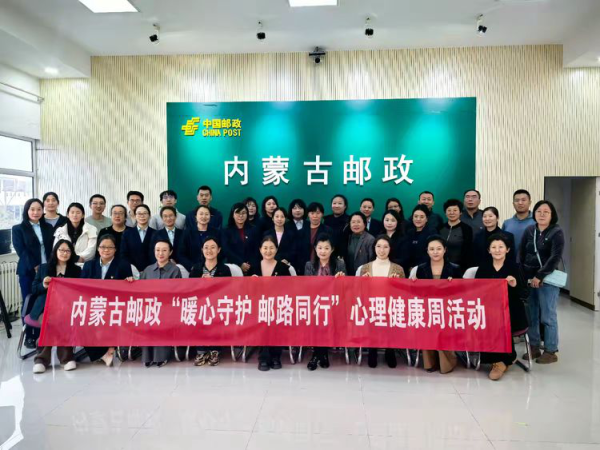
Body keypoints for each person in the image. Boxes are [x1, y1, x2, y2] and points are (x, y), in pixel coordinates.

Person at [475, 234, 528, 381]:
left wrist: (514, 285)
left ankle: (500, 362)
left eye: (501, 247)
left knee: (499, 322)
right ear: (489, 250)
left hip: (512, 310)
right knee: (487, 320)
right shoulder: (484, 267)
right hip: (489, 309)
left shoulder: (515, 267)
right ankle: (505, 359)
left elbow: (525, 293)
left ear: (507, 249)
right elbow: (475, 290)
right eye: (493, 247)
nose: (497, 250)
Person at [519, 200, 564, 364]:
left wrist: (540, 276)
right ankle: (534, 347)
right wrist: (523, 276)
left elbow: (555, 257)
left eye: (546, 212)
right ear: (534, 214)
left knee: (548, 315)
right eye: (539, 211)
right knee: (531, 315)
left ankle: (551, 350)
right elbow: (522, 253)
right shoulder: (530, 230)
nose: (542, 214)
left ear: (552, 215)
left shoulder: (556, 232)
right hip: (529, 279)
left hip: (547, 280)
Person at [29, 240, 81, 374]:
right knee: (51, 321)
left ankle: (60, 359)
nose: (64, 253)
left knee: (63, 320)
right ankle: (45, 359)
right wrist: (44, 285)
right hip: (44, 308)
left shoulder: (76, 270)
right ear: (55, 251)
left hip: (67, 308)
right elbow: (34, 289)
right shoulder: (43, 268)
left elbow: (80, 290)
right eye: (61, 250)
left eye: (68, 251)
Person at [81, 234, 134, 367]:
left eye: (110, 247)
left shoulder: (123, 265)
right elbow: (81, 287)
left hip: (114, 305)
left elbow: (128, 291)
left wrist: (129, 281)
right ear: (98, 248)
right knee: (80, 320)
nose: (106, 250)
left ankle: (109, 348)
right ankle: (103, 353)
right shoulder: (89, 265)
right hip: (92, 305)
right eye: (103, 247)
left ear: (115, 249)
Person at [412, 235, 461, 374]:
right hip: (427, 308)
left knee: (442, 328)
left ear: (445, 250)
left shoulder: (455, 268)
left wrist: (454, 284)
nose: (435, 252)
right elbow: (417, 294)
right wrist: (414, 284)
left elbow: (462, 292)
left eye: (439, 249)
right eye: (432, 249)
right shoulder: (421, 269)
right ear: (427, 251)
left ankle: (447, 362)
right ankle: (430, 363)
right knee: (427, 327)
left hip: (448, 309)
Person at [12, 198, 55, 349]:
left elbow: (52, 248)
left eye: (38, 209)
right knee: (29, 301)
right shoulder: (18, 228)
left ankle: (42, 333)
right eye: (32, 209)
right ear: (27, 210)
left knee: (44, 301)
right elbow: (21, 250)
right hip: (28, 271)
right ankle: (29, 336)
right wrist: (35, 266)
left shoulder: (48, 227)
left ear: (43, 211)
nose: (35, 212)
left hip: (47, 270)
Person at [360, 235, 405, 368]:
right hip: (371, 306)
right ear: (374, 248)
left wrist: (397, 283)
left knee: (391, 322)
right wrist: (364, 282)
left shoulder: (398, 269)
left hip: (390, 307)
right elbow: (360, 291)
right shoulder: (365, 268)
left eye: (385, 247)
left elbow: (404, 293)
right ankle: (372, 350)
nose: (382, 250)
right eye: (379, 246)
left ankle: (389, 351)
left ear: (390, 249)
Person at [303, 234, 346, 371]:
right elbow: (307, 287)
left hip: (334, 304)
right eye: (320, 248)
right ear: (315, 248)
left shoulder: (339, 264)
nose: (323, 251)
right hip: (315, 304)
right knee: (317, 320)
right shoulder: (309, 265)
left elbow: (345, 287)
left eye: (326, 248)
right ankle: (321, 354)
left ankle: (318, 355)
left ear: (332, 249)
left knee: (327, 320)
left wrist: (340, 279)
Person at [190, 236, 232, 366]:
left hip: (218, 305)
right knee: (199, 315)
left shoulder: (225, 269)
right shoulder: (196, 269)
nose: (209, 250)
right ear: (202, 250)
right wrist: (200, 283)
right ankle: (201, 350)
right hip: (200, 305)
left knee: (216, 315)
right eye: (206, 247)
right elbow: (189, 290)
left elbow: (229, 290)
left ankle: (215, 350)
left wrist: (213, 284)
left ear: (218, 250)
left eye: (213, 247)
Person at [140, 240, 182, 367]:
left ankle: (161, 357)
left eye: (164, 250)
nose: (160, 253)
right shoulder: (147, 270)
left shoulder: (175, 270)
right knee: (147, 319)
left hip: (167, 308)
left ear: (170, 252)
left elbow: (177, 293)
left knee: (162, 319)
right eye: (157, 250)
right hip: (149, 308)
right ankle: (147, 357)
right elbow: (140, 291)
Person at [252, 235, 291, 371]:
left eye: (271, 248)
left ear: (276, 249)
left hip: (278, 306)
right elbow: (247, 291)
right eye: (265, 248)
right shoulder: (254, 266)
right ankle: (263, 357)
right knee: (263, 322)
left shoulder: (283, 267)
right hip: (259, 307)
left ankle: (276, 356)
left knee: (276, 322)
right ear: (260, 249)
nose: (268, 251)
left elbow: (289, 288)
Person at [296, 202, 333, 275]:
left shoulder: (328, 230)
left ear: (322, 214)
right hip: (304, 266)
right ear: (308, 214)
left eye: (318, 213)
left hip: (323, 266)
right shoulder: (301, 232)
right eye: (312, 213)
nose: (315, 216)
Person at [398, 205, 437, 274]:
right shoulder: (409, 232)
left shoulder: (432, 233)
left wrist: (417, 268)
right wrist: (409, 267)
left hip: (426, 270)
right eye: (415, 216)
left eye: (422, 217)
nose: (418, 219)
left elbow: (432, 254)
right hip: (409, 270)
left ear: (427, 219)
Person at [221, 203, 258, 275]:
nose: (241, 216)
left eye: (243, 213)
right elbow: (226, 250)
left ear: (247, 215)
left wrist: (249, 264)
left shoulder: (253, 229)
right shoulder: (226, 230)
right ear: (232, 215)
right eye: (237, 213)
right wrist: (240, 263)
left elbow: (256, 249)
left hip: (251, 267)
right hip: (233, 267)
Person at [438, 199, 473, 274]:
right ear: (445, 213)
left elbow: (468, 250)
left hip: (460, 268)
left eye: (455, 210)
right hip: (440, 267)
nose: (452, 213)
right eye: (449, 210)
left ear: (460, 212)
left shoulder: (466, 229)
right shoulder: (440, 228)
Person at [178, 205, 217, 272]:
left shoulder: (216, 233)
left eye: (206, 214)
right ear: (196, 216)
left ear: (210, 216)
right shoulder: (187, 233)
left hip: (213, 268)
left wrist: (212, 266)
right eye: (201, 214)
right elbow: (180, 254)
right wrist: (192, 267)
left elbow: (221, 251)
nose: (204, 216)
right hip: (192, 269)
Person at [120, 204, 156, 272]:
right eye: (139, 213)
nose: (142, 216)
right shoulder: (127, 233)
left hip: (152, 270)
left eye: (145, 213)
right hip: (132, 271)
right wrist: (131, 268)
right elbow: (123, 254)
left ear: (149, 216)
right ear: (135, 216)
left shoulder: (156, 233)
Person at [502, 189, 535, 261]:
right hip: (510, 264)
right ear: (513, 204)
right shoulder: (507, 223)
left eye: (523, 200)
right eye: (517, 200)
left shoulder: (537, 222)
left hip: (531, 264)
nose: (520, 203)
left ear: (530, 202)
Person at [341, 212, 375, 276]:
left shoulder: (370, 239)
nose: (356, 224)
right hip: (348, 275)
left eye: (359, 222)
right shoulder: (347, 237)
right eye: (353, 222)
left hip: (364, 275)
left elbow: (372, 261)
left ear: (364, 224)